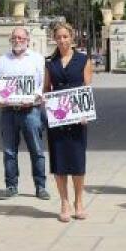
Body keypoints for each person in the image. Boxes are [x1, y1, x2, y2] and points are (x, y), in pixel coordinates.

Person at [0, 26, 49, 200]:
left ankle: (41, 187)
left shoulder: (37, 59)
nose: (17, 40)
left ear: (27, 40)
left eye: (21, 38)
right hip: (8, 112)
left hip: (31, 111)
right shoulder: (2, 60)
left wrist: (34, 97)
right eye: (14, 38)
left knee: (36, 150)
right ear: (10, 40)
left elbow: (42, 84)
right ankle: (11, 186)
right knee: (9, 151)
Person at [44, 22, 93, 222]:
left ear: (72, 38)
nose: (62, 40)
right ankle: (64, 202)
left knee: (77, 160)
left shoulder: (83, 60)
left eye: (65, 36)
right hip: (57, 117)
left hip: (77, 118)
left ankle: (79, 202)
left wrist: (85, 114)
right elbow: (47, 88)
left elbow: (87, 88)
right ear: (54, 39)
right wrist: (44, 102)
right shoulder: (49, 62)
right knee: (59, 161)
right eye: (59, 37)